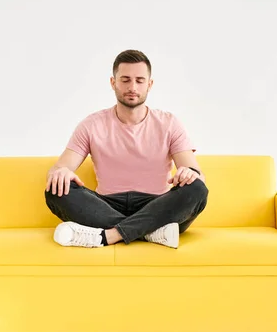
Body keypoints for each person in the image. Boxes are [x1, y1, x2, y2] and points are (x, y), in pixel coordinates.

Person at [44, 49, 209, 249]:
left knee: (197, 188)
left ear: (150, 85)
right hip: (106, 205)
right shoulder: (91, 124)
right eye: (125, 80)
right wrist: (60, 172)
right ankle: (151, 232)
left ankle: (108, 236)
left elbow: (196, 174)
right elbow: (58, 169)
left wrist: (188, 173)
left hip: (158, 206)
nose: (132, 87)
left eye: (140, 80)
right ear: (113, 83)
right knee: (56, 190)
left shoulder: (169, 123)